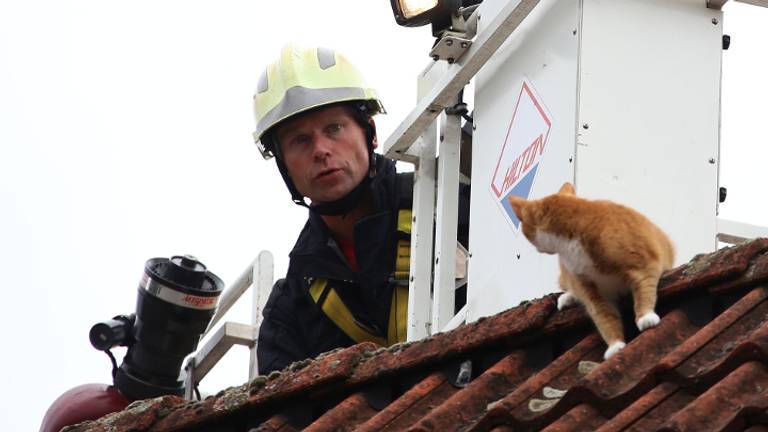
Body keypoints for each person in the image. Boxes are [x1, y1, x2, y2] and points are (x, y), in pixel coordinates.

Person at [253, 45, 468, 374]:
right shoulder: (291, 309)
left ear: (370, 133)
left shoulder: (453, 207)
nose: (321, 150)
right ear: (284, 166)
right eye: (299, 140)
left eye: (334, 128)